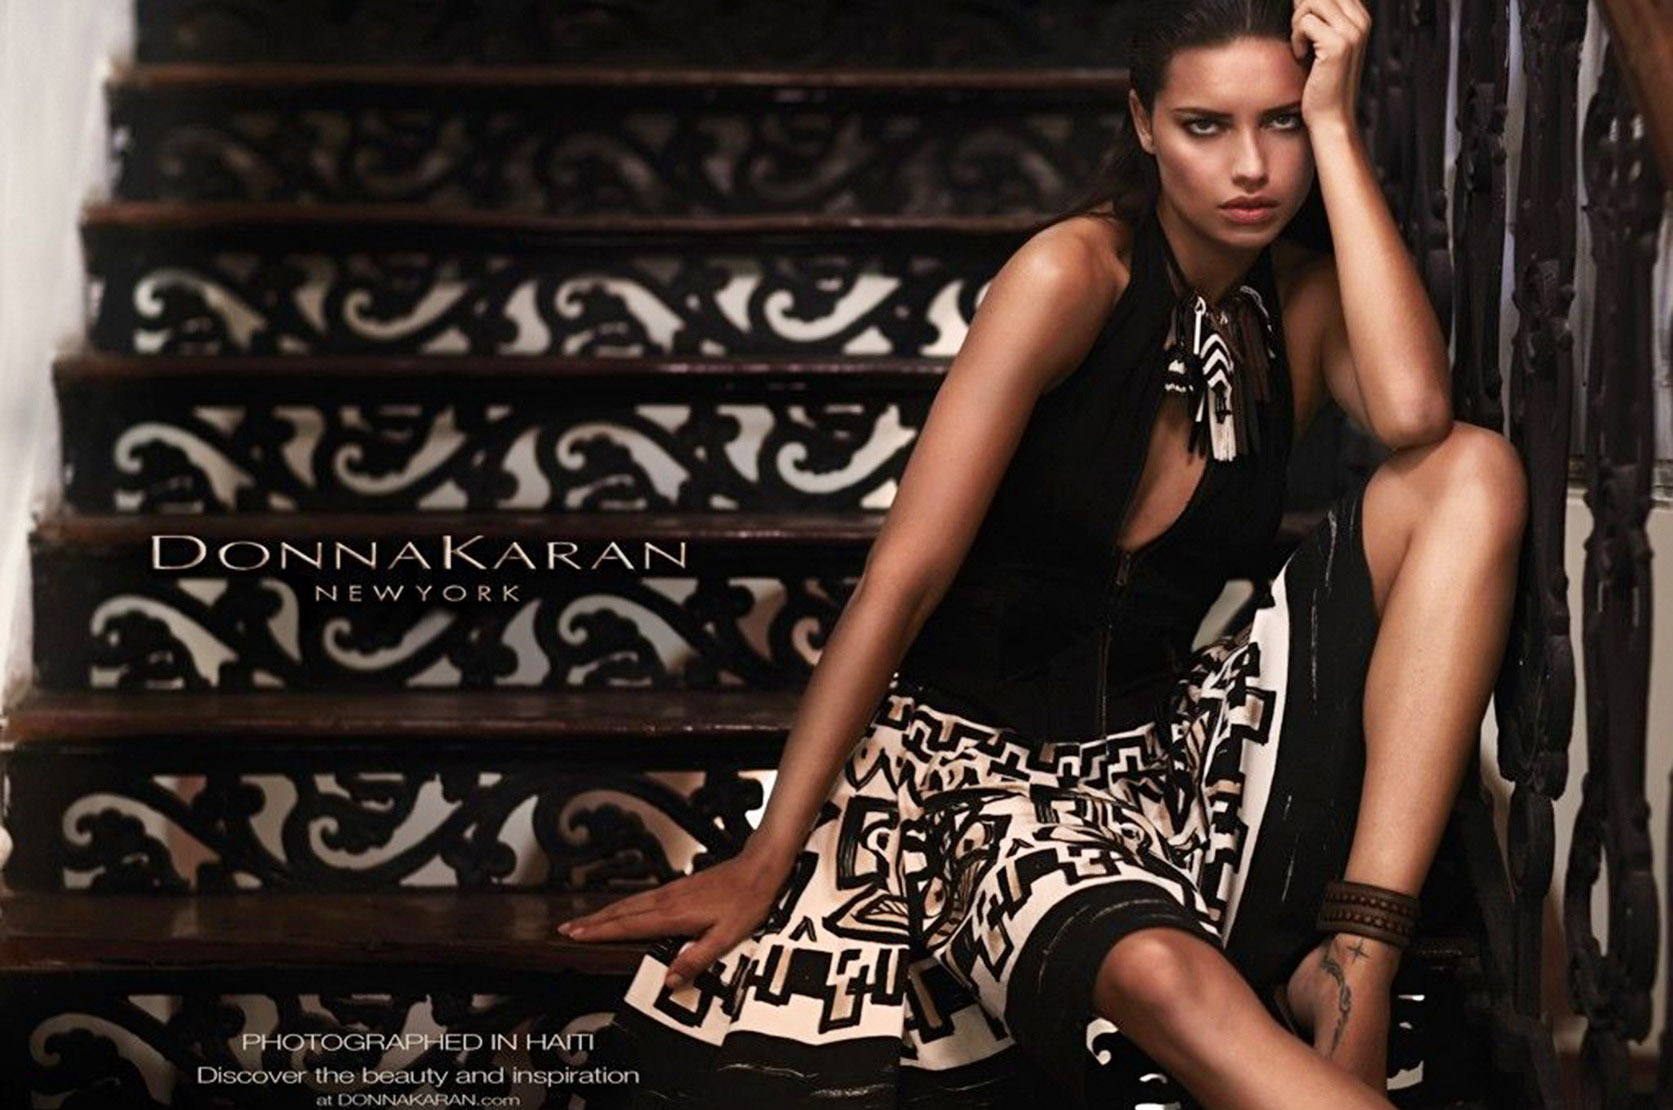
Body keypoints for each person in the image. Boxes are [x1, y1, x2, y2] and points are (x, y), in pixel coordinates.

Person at [558, 0, 1528, 1106]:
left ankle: (1354, 963)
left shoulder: (1300, 305)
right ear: (1144, 123)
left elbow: (1413, 417)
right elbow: (902, 579)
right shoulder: (1069, 275)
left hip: (1171, 763)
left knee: (1472, 469)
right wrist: (771, 852)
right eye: (1204, 125)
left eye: (1280, 123)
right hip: (977, 782)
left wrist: (1340, 127)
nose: (1249, 167)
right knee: (1166, 979)